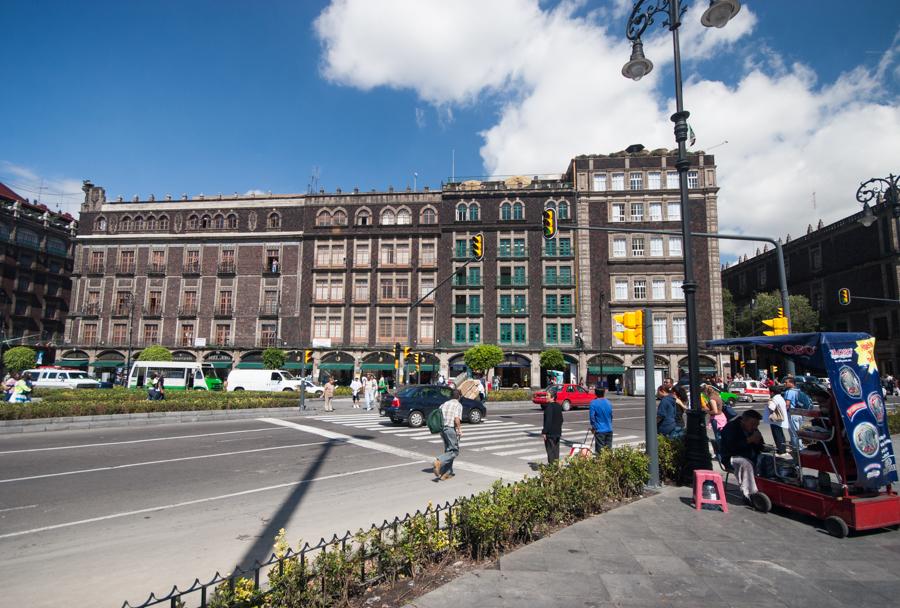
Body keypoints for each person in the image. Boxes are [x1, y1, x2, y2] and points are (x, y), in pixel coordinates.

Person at [719, 410, 766, 502]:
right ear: (744, 421)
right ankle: (750, 494)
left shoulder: (754, 429)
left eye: (756, 425)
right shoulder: (731, 428)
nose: (754, 427)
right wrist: (749, 440)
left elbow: (760, 446)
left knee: (768, 460)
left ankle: (765, 490)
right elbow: (732, 447)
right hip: (731, 457)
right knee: (746, 464)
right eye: (752, 424)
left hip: (750, 456)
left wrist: (758, 442)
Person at [433, 388, 463, 480]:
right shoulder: (458, 405)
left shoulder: (444, 404)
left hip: (442, 429)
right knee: (454, 451)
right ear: (459, 397)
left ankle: (446, 473)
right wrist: (459, 429)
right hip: (450, 428)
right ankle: (439, 461)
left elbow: (438, 415)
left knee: (448, 451)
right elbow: (456, 418)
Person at [766, 384, 790, 455]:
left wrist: (769, 401)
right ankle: (783, 449)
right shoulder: (780, 398)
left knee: (777, 435)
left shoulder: (774, 399)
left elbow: (771, 408)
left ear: (772, 392)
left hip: (775, 420)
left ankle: (781, 451)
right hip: (780, 419)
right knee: (781, 434)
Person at [589, 387, 614, 452]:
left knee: (600, 452)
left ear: (595, 393)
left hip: (600, 430)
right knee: (608, 451)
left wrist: (593, 427)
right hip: (609, 429)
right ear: (604, 393)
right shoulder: (608, 402)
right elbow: (611, 416)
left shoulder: (593, 403)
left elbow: (592, 417)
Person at [541, 391, 564, 463]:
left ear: (552, 397)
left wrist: (544, 432)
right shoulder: (558, 406)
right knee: (556, 451)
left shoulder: (549, 407)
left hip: (550, 433)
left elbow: (548, 420)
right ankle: (556, 467)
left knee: (550, 451)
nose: (546, 397)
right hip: (557, 432)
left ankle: (551, 469)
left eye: (547, 395)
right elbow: (561, 419)